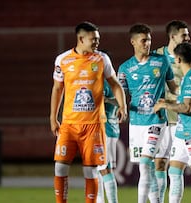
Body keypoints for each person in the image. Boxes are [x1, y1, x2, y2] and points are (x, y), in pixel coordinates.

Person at [50, 21, 127, 203]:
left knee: (91, 170)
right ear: (81, 39)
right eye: (93, 39)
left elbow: (115, 83)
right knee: (60, 167)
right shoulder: (63, 60)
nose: (97, 42)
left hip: (93, 125)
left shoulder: (101, 59)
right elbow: (57, 89)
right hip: (69, 124)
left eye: (98, 39)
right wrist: (53, 117)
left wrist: (122, 105)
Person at [153, 20, 191, 202]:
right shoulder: (160, 56)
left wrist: (165, 104)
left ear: (178, 60)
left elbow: (186, 107)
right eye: (184, 35)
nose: (187, 38)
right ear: (172, 37)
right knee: (173, 169)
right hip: (179, 127)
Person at [117, 23, 177, 203]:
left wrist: (183, 99)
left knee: (146, 164)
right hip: (136, 123)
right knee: (147, 168)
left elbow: (174, 88)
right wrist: (120, 106)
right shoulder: (125, 68)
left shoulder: (162, 61)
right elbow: (120, 94)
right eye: (143, 40)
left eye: (149, 40)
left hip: (156, 121)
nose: (147, 44)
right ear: (133, 42)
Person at [96, 79, 120, 203]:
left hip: (106, 129)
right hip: (101, 129)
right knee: (97, 169)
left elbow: (120, 102)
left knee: (104, 169)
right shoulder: (107, 81)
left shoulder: (105, 83)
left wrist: (105, 100)